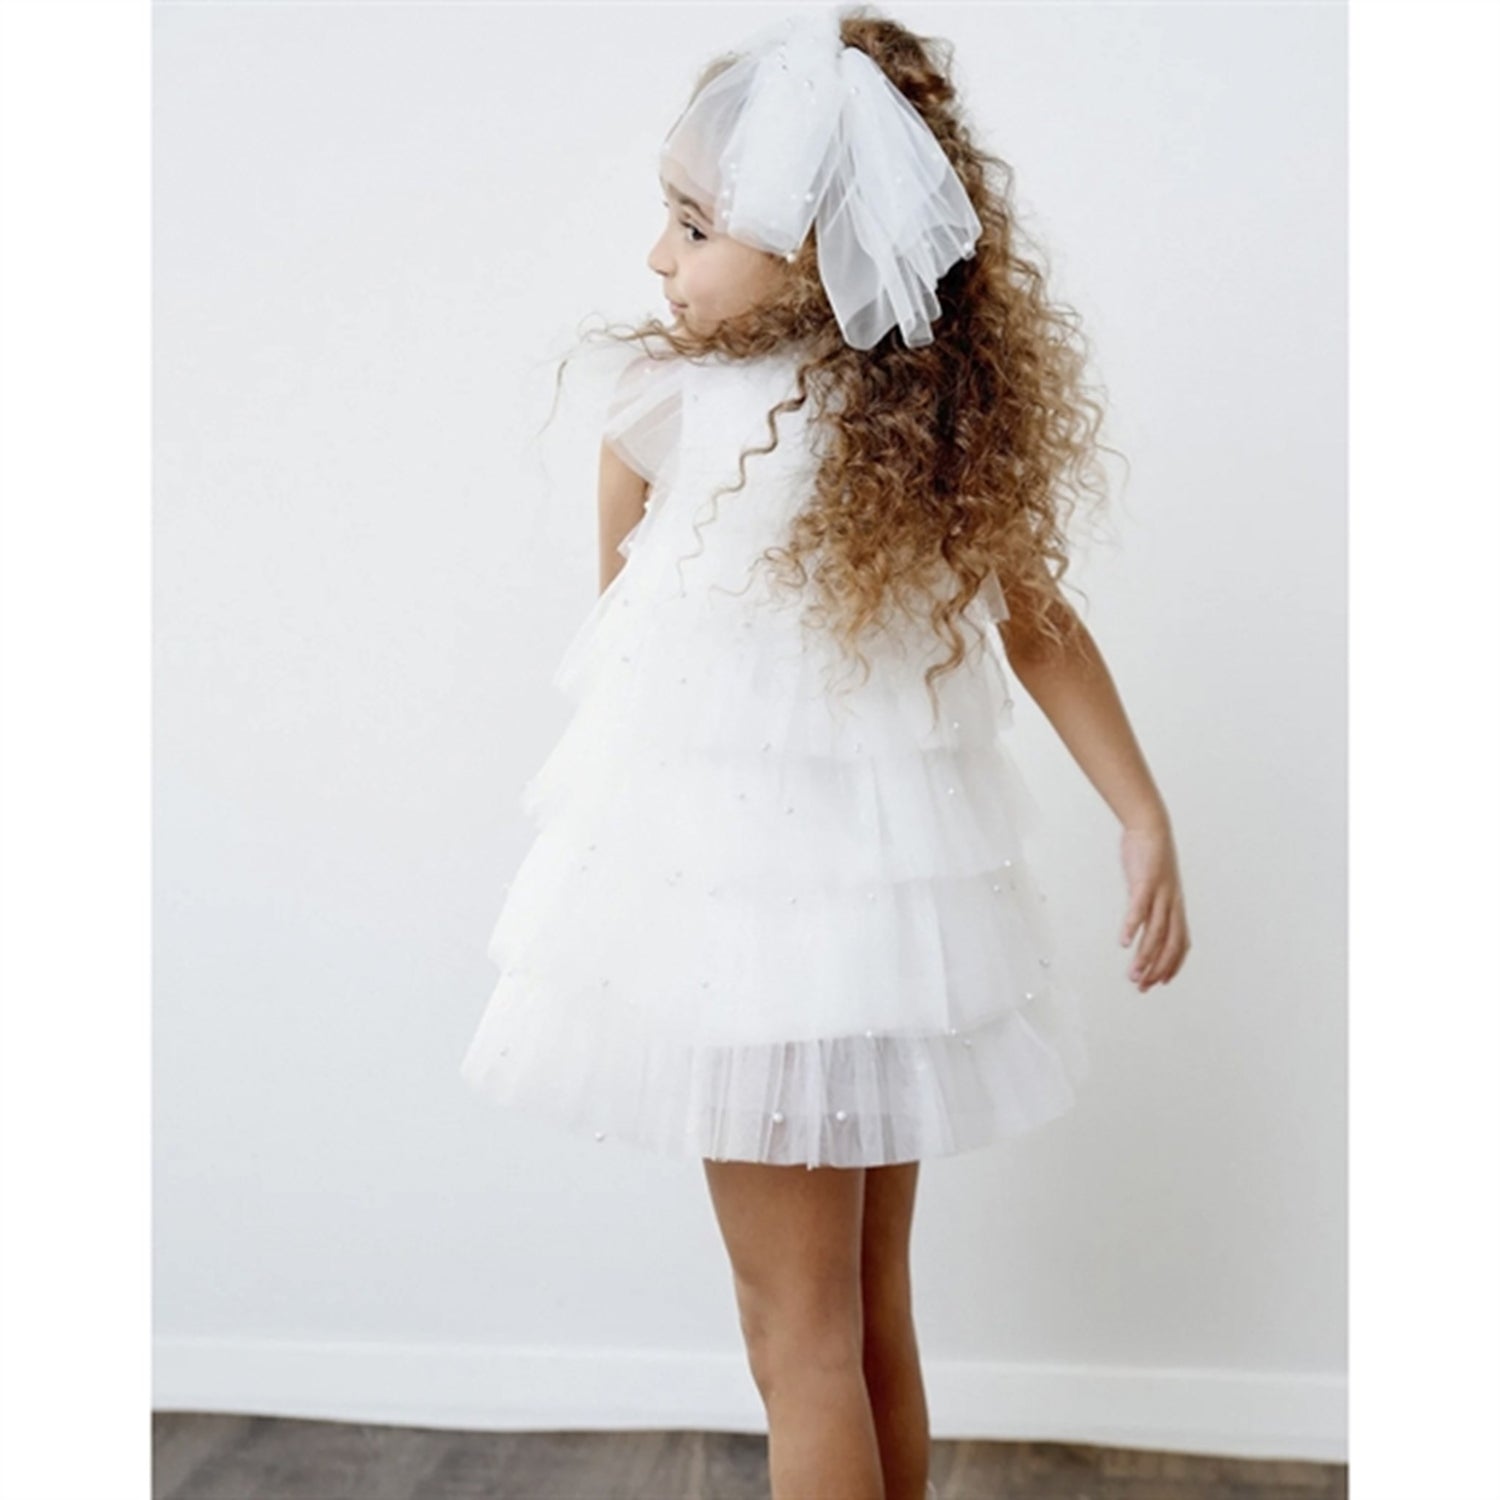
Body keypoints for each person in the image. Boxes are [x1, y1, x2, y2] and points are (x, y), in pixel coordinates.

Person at [461, 7, 1191, 1497]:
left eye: (693, 226)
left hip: (742, 937)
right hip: (887, 937)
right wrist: (1138, 810)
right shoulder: (931, 433)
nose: (658, 257)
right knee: (862, 1322)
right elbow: (1038, 626)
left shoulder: (658, 411)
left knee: (794, 1342)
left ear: (805, 248)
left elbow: (625, 670)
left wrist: (1145, 813)